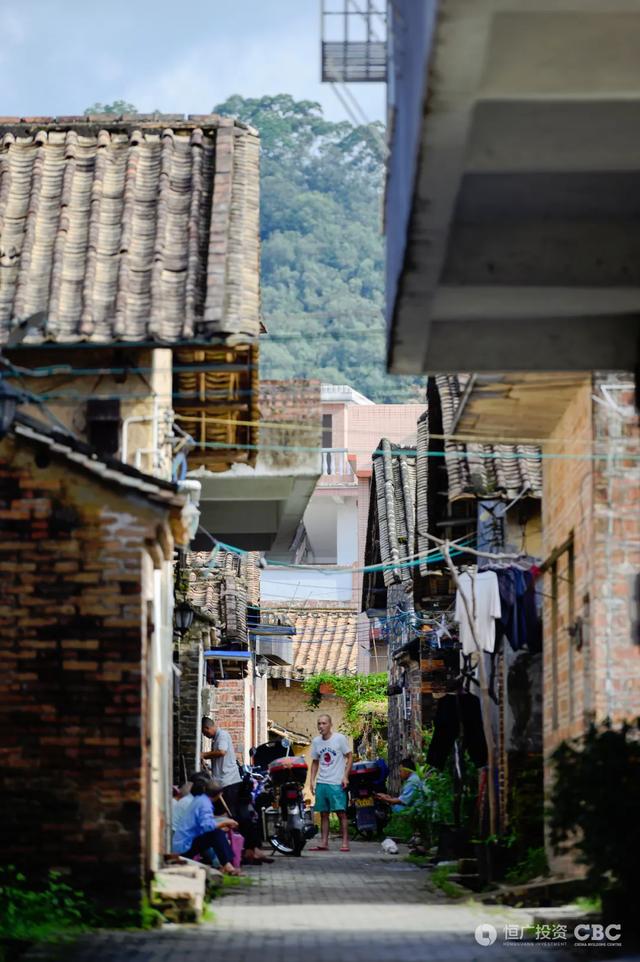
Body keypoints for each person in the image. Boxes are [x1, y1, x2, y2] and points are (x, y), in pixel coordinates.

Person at [172, 775, 242, 876]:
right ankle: (227, 865)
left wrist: (222, 825)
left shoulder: (200, 800)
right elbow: (207, 826)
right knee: (216, 833)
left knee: (216, 833)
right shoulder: (204, 803)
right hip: (184, 846)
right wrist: (225, 823)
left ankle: (226, 865)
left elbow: (203, 825)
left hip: (183, 842)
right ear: (220, 794)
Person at [309, 713, 352, 852]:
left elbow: (350, 756)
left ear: (330, 724)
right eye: (319, 723)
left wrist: (345, 776)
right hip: (322, 782)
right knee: (323, 814)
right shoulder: (316, 742)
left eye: (324, 723)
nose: (321, 726)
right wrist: (312, 780)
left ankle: (345, 842)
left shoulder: (339, 739)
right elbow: (315, 762)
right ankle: (324, 842)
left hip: (336, 782)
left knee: (341, 813)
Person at [200, 717, 243, 816]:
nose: (204, 735)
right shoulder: (216, 738)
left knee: (228, 812)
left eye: (204, 732)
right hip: (224, 781)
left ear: (207, 728)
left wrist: (204, 755)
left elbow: (221, 752)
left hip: (229, 782)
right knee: (222, 811)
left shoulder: (222, 735)